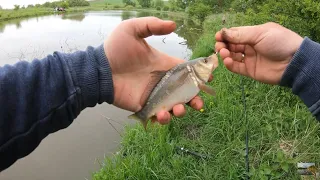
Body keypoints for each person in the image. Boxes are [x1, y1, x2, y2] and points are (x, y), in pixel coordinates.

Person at [0, 17, 318, 171]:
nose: (212, 62)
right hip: (160, 89)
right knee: (169, 107)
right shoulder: (191, 72)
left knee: (173, 107)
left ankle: (145, 113)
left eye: (207, 60)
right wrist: (301, 62)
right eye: (207, 60)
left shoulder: (196, 74)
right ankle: (145, 114)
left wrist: (98, 70)